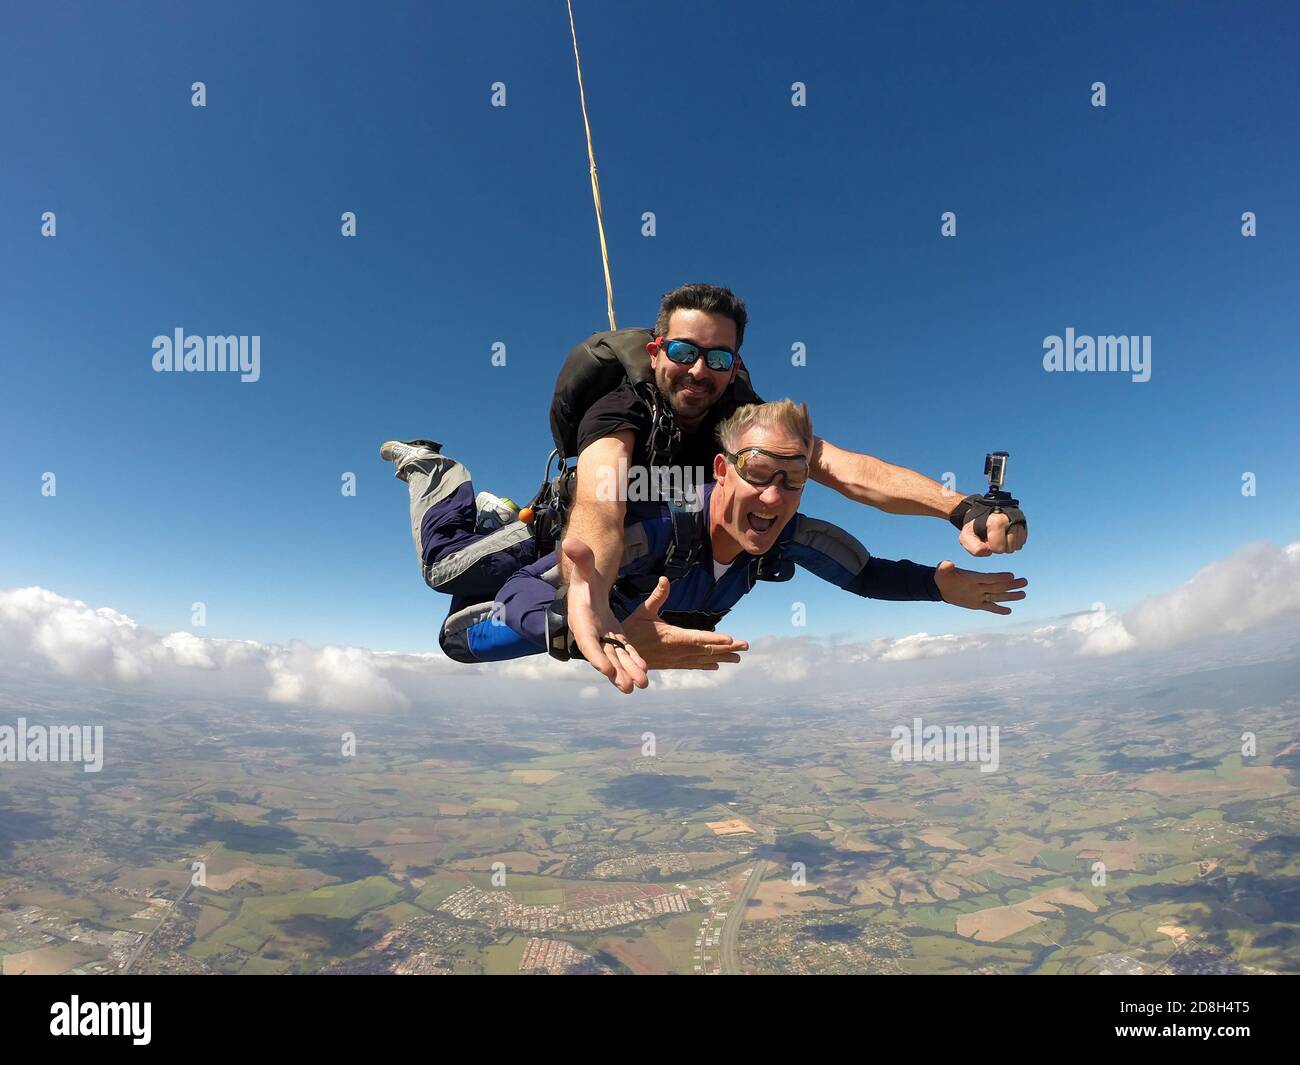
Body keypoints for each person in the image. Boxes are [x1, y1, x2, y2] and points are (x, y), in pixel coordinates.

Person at [558, 283, 1029, 693]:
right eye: (683, 352)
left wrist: (961, 508)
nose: (699, 370)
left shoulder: (743, 416)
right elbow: (602, 495)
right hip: (623, 563)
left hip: (687, 568)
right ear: (656, 352)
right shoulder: (620, 410)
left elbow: (844, 468)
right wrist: (590, 594)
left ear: (734, 364)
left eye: (717, 358)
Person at [386, 401, 1027, 667]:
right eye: (758, 473)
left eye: (794, 480)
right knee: (451, 604)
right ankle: (442, 474)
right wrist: (584, 633)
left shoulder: (788, 536)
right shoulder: (652, 529)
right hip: (552, 546)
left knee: (460, 646)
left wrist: (942, 587)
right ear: (722, 470)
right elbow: (524, 596)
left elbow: (864, 573)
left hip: (612, 611)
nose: (774, 497)